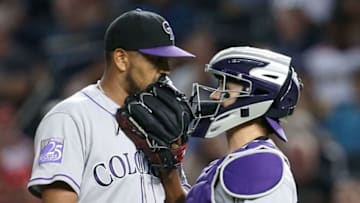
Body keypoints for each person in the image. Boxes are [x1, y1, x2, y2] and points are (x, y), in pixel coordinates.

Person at [27, 9, 195, 203]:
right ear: (121, 59)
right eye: (155, 60)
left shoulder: (160, 119)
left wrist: (170, 169)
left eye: (167, 60)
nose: (166, 68)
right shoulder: (70, 117)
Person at [186, 46, 302, 203]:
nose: (214, 95)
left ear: (255, 96)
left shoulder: (260, 164)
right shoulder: (240, 159)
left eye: (225, 88)